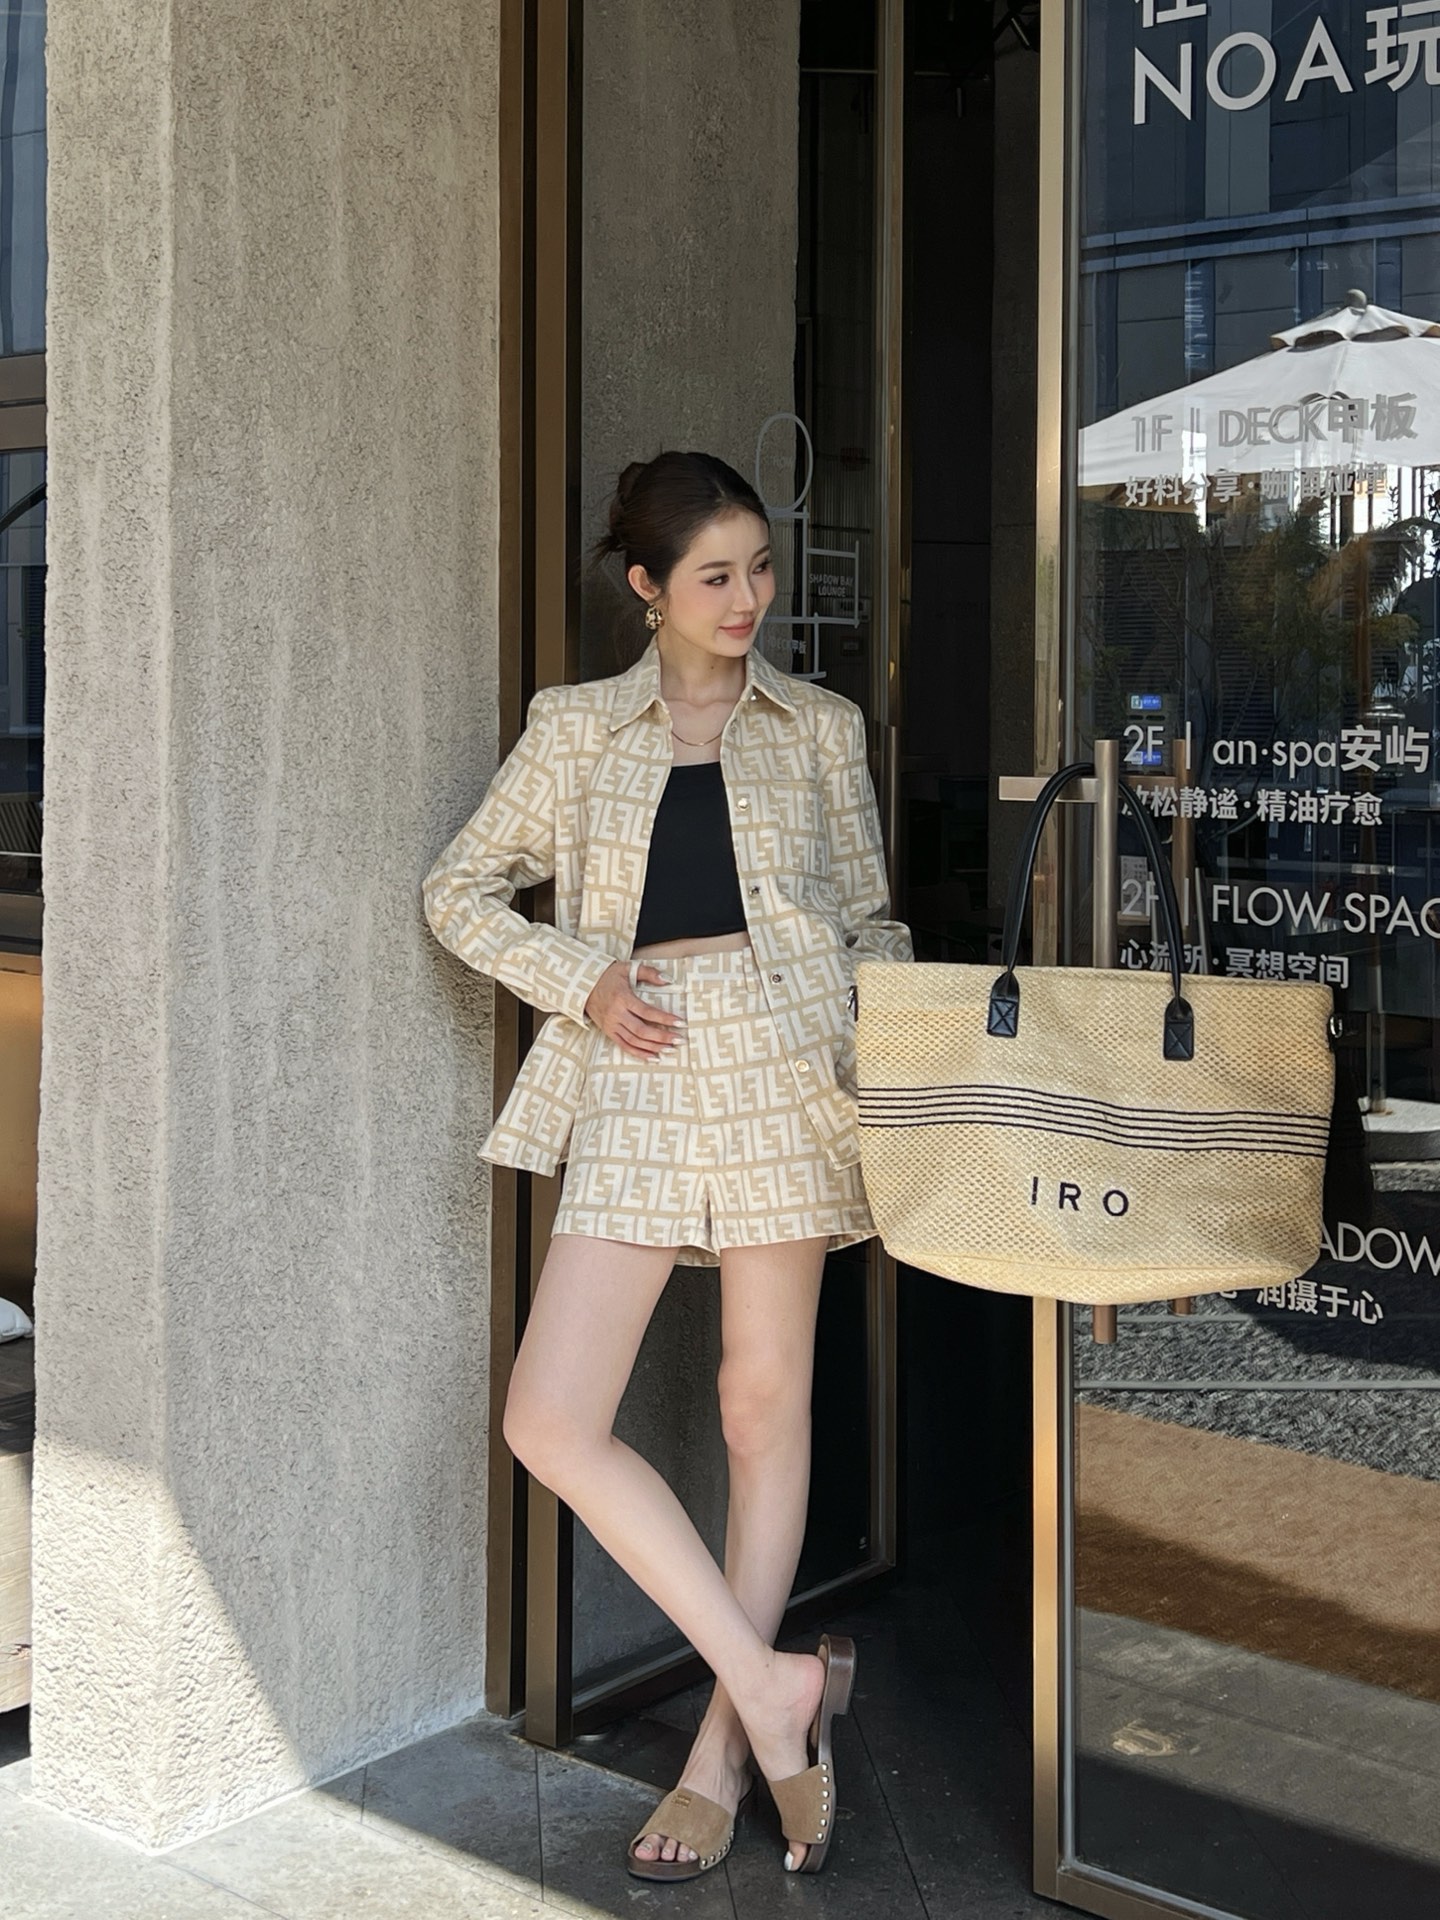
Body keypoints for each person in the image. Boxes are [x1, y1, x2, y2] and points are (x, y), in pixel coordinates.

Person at [422, 449, 912, 1882]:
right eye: (714, 576)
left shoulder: (819, 728)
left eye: (760, 568)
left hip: (783, 1069)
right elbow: (458, 889)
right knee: (549, 1416)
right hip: (637, 1063)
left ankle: (719, 1759)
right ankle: (774, 1686)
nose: (747, 598)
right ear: (647, 587)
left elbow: (872, 918)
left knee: (760, 1407)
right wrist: (577, 979)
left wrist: (860, 1046)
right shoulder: (577, 729)